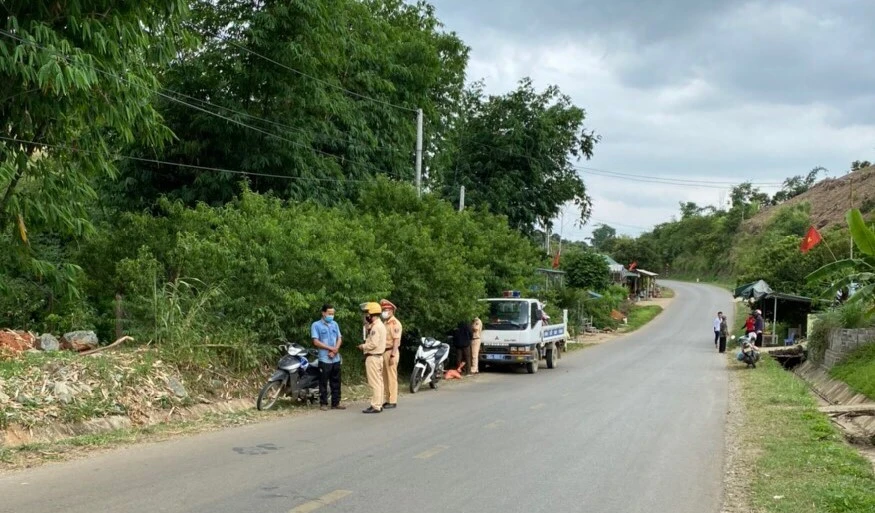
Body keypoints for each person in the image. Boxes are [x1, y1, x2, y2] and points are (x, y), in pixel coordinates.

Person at [310, 304, 345, 411]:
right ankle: (323, 403)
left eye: (333, 313)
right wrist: (330, 348)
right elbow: (316, 341)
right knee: (323, 382)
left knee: (336, 381)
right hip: (324, 358)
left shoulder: (335, 324)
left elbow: (339, 338)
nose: (331, 315)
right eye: (329, 313)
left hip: (335, 358)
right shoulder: (316, 325)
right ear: (323, 313)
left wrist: (335, 349)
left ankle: (336, 402)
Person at [357, 302, 386, 414]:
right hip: (378, 357)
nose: (365, 316)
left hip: (373, 357)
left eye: (367, 314)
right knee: (379, 382)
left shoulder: (376, 327)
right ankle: (379, 403)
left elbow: (373, 344)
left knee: (374, 382)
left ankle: (375, 405)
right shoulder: (378, 325)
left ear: (371, 314)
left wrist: (363, 346)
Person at [380, 299, 402, 410]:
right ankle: (387, 399)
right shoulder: (384, 323)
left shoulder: (395, 323)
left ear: (392, 311)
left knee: (391, 377)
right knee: (385, 377)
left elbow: (396, 341)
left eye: (386, 309)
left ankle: (393, 400)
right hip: (384, 352)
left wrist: (393, 356)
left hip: (391, 352)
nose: (384, 311)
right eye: (383, 309)